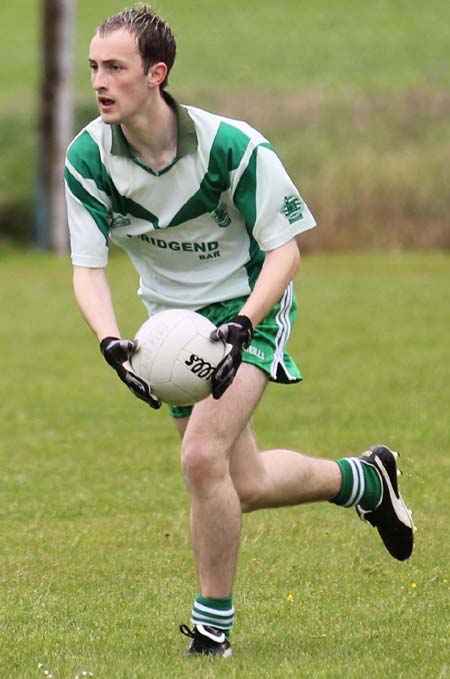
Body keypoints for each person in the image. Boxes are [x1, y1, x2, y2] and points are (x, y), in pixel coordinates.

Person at [64, 4, 415, 658]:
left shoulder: (232, 147)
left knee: (201, 458)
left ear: (156, 74)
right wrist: (111, 341)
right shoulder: (88, 158)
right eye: (94, 67)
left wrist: (241, 324)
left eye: (116, 67)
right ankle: (365, 481)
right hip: (171, 326)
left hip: (249, 306)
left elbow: (287, 251)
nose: (101, 81)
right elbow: (87, 269)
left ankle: (212, 629)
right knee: (241, 481)